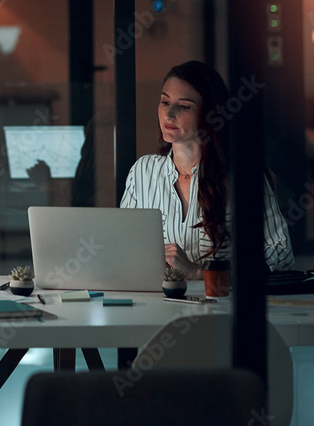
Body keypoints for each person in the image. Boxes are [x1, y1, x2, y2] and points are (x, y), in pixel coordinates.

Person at [121, 60, 293, 277]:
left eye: (184, 106)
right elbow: (122, 250)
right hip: (158, 305)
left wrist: (200, 273)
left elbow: (281, 254)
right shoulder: (142, 172)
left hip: (222, 306)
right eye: (165, 102)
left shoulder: (244, 176)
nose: (169, 114)